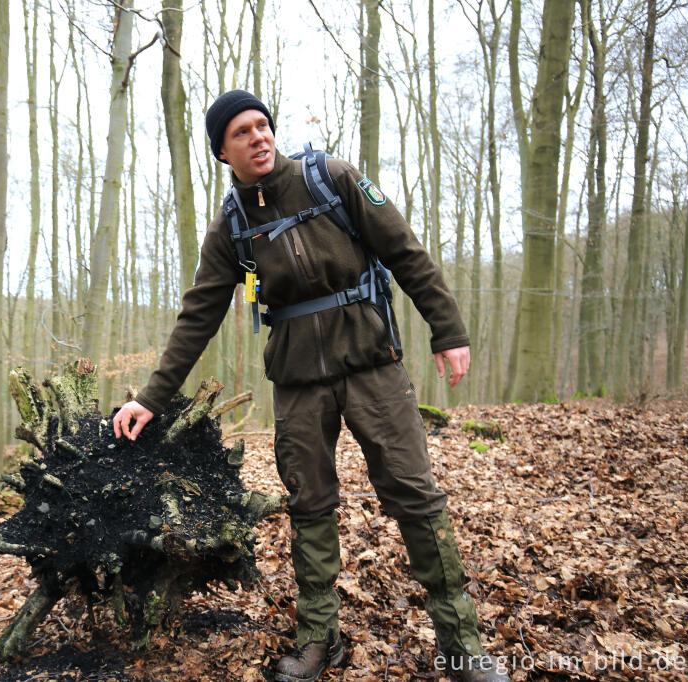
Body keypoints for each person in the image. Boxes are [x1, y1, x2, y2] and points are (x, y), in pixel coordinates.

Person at [113, 90, 509, 682]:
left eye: (263, 125)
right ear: (222, 151)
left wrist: (446, 329)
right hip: (298, 381)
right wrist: (151, 397)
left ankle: (462, 644)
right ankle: (319, 640)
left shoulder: (332, 178)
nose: (259, 137)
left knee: (415, 497)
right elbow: (199, 314)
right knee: (310, 504)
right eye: (242, 132)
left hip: (372, 364)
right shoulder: (232, 225)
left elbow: (407, 254)